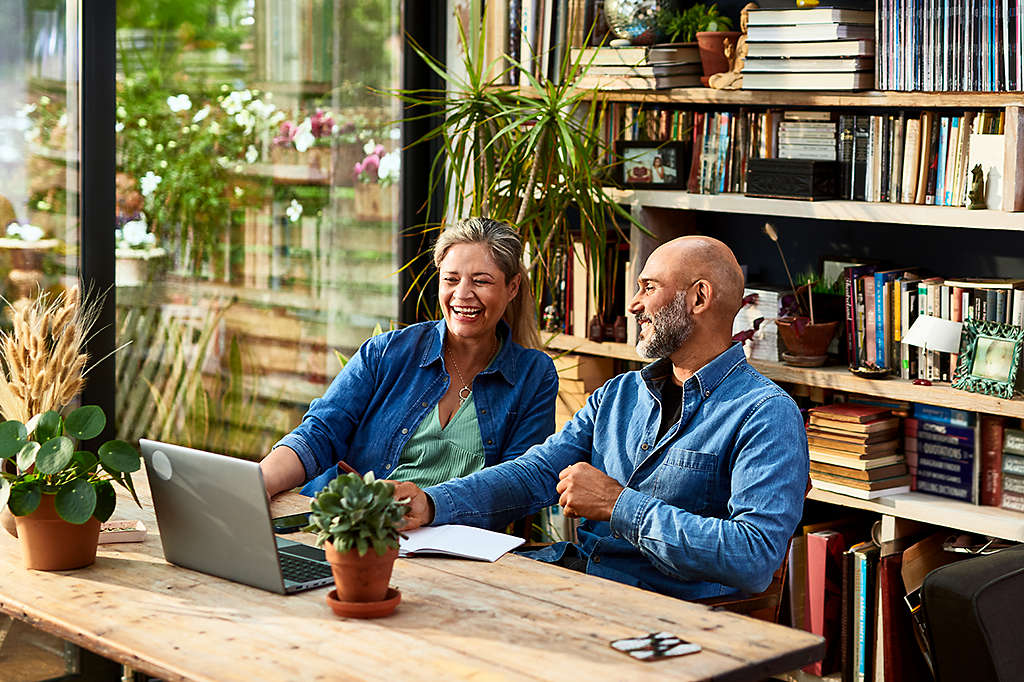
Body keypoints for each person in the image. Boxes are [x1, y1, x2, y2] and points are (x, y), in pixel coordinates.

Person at [395, 236, 809, 601]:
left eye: (648, 288)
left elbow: (753, 557)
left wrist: (617, 504)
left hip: (665, 612)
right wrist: (432, 503)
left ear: (698, 298)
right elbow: (535, 472)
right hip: (577, 581)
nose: (634, 305)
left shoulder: (765, 413)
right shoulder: (619, 393)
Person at [260, 217, 559, 498]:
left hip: (448, 545)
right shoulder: (386, 352)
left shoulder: (533, 376)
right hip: (356, 531)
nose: (462, 294)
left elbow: (516, 484)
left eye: (481, 281)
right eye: (451, 279)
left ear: (512, 287)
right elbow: (319, 434)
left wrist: (430, 505)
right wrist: (258, 484)